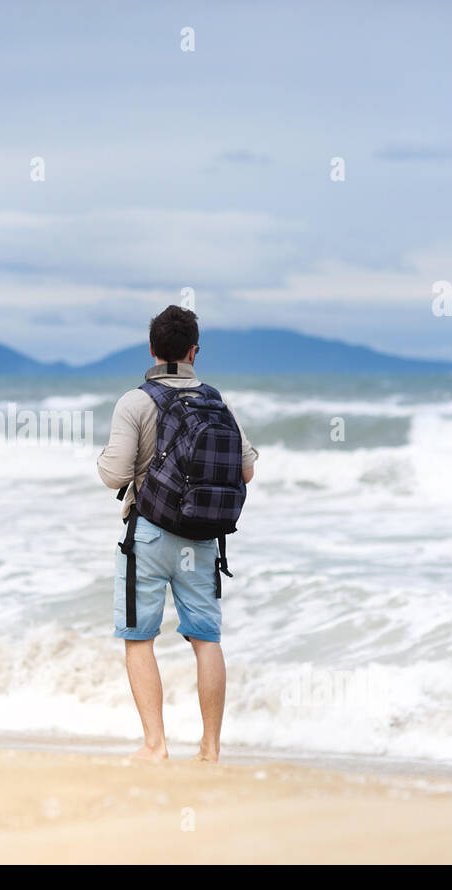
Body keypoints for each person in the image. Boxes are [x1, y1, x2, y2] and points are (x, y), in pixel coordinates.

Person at [96, 306, 257, 762]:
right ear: (193, 352)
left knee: (139, 639)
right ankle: (210, 748)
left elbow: (114, 475)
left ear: (151, 349)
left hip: (147, 536)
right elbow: (245, 471)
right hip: (202, 538)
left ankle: (156, 745)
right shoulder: (216, 400)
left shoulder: (134, 401)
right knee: (207, 640)